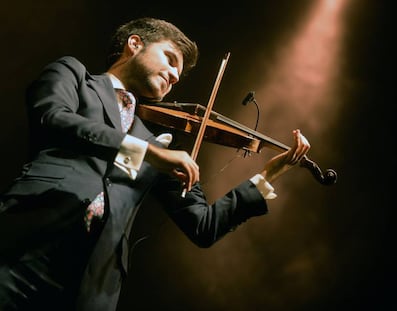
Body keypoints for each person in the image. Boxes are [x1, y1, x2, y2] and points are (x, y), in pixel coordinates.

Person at [0, 17, 310, 311]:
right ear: (134, 44)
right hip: (25, 247)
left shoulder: (156, 143)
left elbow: (203, 225)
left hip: (91, 286)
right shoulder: (75, 76)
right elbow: (54, 118)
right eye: (170, 59)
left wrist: (269, 175)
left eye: (179, 74)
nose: (175, 76)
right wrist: (146, 152)